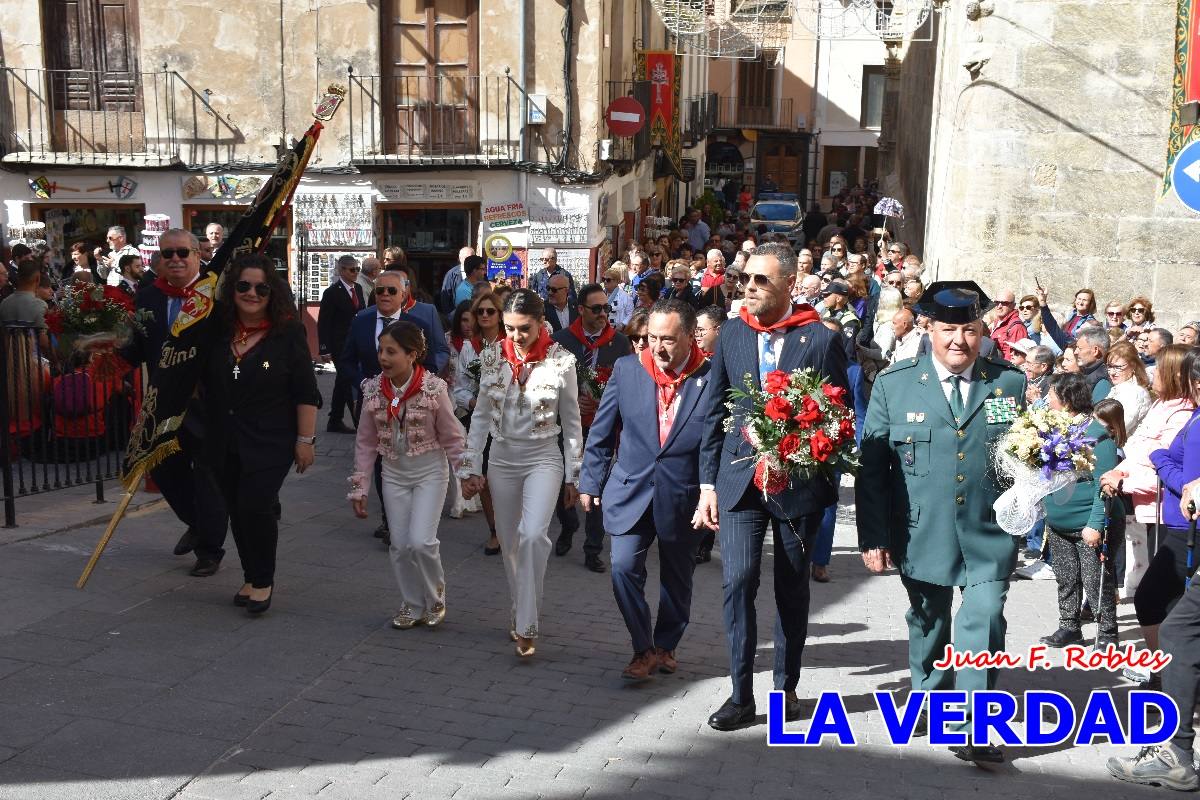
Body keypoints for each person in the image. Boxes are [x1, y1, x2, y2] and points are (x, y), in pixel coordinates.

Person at [857, 281, 1027, 766]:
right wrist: (873, 537)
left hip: (988, 532)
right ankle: (932, 697)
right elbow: (873, 471)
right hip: (920, 529)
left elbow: (1026, 456)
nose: (959, 341)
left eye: (970, 330)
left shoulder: (1007, 383)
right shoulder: (895, 383)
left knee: (985, 616)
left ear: (983, 332)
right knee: (929, 621)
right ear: (929, 328)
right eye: (949, 329)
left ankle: (976, 724)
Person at [695, 243, 849, 731]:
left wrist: (815, 457)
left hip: (796, 484)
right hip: (740, 482)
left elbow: (838, 413)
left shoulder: (819, 339)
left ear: (788, 284)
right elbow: (713, 409)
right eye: (748, 280)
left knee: (791, 589)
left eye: (762, 280)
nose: (751, 288)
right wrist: (706, 483)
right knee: (737, 580)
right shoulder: (734, 334)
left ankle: (786, 689)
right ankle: (741, 695)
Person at [579, 299, 712, 679]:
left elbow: (717, 444)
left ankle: (667, 645)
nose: (657, 347)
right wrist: (591, 480)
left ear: (690, 336)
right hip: (631, 490)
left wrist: (710, 491)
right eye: (652, 337)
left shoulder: (711, 376)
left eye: (668, 339)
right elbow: (602, 434)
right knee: (622, 567)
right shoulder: (626, 369)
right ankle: (643, 647)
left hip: (683, 496)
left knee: (677, 577)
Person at [458, 289, 583, 658]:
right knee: (510, 543)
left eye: (523, 329)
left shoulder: (562, 361)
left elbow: (572, 422)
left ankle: (528, 621)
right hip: (502, 457)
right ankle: (520, 606)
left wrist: (575, 475)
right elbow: (480, 416)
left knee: (532, 536)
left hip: (544, 455)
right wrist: (470, 464)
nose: (515, 336)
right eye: (509, 328)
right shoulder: (493, 355)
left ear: (541, 323)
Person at [199, 254, 320, 614]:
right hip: (223, 438)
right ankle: (251, 576)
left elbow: (305, 391)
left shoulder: (287, 333)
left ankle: (264, 580)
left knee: (256, 505)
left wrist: (305, 441)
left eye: (261, 287)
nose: (252, 293)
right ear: (232, 288)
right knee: (236, 509)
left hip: (271, 440)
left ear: (273, 292)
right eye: (243, 286)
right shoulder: (216, 330)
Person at [1108, 404, 1200, 789]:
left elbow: (1185, 473)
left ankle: (1176, 756)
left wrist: (1166, 463)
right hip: (1180, 525)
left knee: (1178, 630)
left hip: (1185, 529)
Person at [126, 229, 228, 573]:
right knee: (162, 468)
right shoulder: (148, 297)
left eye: (182, 252)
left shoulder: (217, 293)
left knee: (208, 475)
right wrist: (108, 344)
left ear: (198, 255)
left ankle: (210, 550)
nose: (175, 259)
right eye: (167, 253)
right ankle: (198, 523)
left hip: (207, 402)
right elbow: (138, 348)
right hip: (165, 403)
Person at [350, 321, 465, 629]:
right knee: (399, 545)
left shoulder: (433, 389)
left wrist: (465, 474)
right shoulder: (373, 389)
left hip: (430, 471)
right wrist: (360, 487)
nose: (383, 358)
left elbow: (453, 437)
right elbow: (365, 441)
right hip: (393, 474)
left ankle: (435, 595)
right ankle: (412, 603)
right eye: (381, 351)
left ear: (412, 354)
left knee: (421, 542)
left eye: (392, 351)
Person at [1099, 344, 1195, 619]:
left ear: (1174, 375)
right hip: (1146, 504)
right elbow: (1139, 449)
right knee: (1154, 598)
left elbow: (1164, 465)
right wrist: (1117, 473)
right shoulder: (1161, 404)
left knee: (1161, 598)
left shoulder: (1182, 414)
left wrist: (1124, 483)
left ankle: (1167, 657)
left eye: (1158, 369)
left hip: (1166, 510)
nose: (1150, 373)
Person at [552, 283, 631, 571]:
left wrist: (601, 405)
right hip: (564, 426)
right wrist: (571, 401)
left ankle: (592, 547)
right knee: (564, 480)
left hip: (602, 427)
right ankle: (568, 525)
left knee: (596, 485)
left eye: (606, 308)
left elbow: (627, 384)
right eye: (596, 308)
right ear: (581, 309)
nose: (602, 314)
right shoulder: (561, 340)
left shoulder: (620, 343)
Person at [1038, 373, 1120, 650]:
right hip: (1060, 521)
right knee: (1066, 577)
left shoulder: (1097, 435)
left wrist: (1096, 523)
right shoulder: (1054, 429)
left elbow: (1104, 483)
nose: (1047, 399)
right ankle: (1069, 627)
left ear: (1066, 398)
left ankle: (1107, 632)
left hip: (1088, 523)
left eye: (1051, 394)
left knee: (1096, 580)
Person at [453, 292, 504, 555]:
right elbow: (459, 388)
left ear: (499, 314)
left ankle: (511, 526)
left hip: (509, 421)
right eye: (480, 311)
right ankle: (495, 530)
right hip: (480, 419)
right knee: (484, 474)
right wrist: (474, 403)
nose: (485, 315)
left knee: (505, 477)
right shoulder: (469, 347)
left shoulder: (511, 342)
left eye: (490, 311)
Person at [319, 256, 367, 433]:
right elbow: (324, 322)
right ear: (341, 271)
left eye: (357, 269)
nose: (355, 273)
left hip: (355, 342)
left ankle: (335, 420)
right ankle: (358, 421)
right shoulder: (332, 293)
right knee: (347, 381)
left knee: (342, 380)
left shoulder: (359, 289)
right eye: (351, 269)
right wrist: (324, 348)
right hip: (339, 344)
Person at [1105, 341, 1152, 436]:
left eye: (1118, 367)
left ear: (1133, 365)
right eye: (1109, 366)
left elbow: (1116, 429)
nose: (1112, 372)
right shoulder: (1121, 387)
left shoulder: (1135, 393)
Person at [439, 246, 475, 313]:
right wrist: (450, 316)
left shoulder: (480, 273)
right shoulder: (451, 274)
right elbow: (445, 297)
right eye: (465, 257)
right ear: (460, 259)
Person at [602, 265, 634, 332]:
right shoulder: (600, 295)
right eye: (603, 279)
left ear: (617, 282)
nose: (605, 281)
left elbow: (631, 313)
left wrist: (622, 324)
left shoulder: (625, 297)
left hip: (618, 331)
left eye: (608, 280)